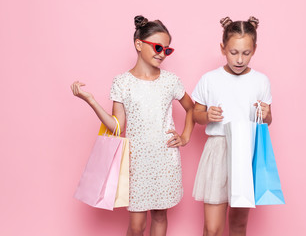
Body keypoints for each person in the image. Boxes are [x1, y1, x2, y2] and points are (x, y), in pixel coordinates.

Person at [71, 15, 194, 236]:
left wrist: (185, 136)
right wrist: (90, 100)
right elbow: (117, 126)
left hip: (165, 159)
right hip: (136, 162)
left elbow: (191, 108)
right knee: (136, 226)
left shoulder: (171, 81)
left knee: (159, 216)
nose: (162, 53)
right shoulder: (122, 82)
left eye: (167, 50)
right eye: (157, 47)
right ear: (139, 44)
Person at [192, 16, 272, 236]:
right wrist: (207, 115)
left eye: (246, 53)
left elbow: (268, 119)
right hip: (218, 150)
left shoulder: (261, 81)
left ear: (254, 49)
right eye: (233, 52)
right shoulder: (210, 79)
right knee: (213, 228)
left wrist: (265, 115)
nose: (239, 59)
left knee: (238, 224)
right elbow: (196, 115)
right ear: (222, 48)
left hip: (246, 151)